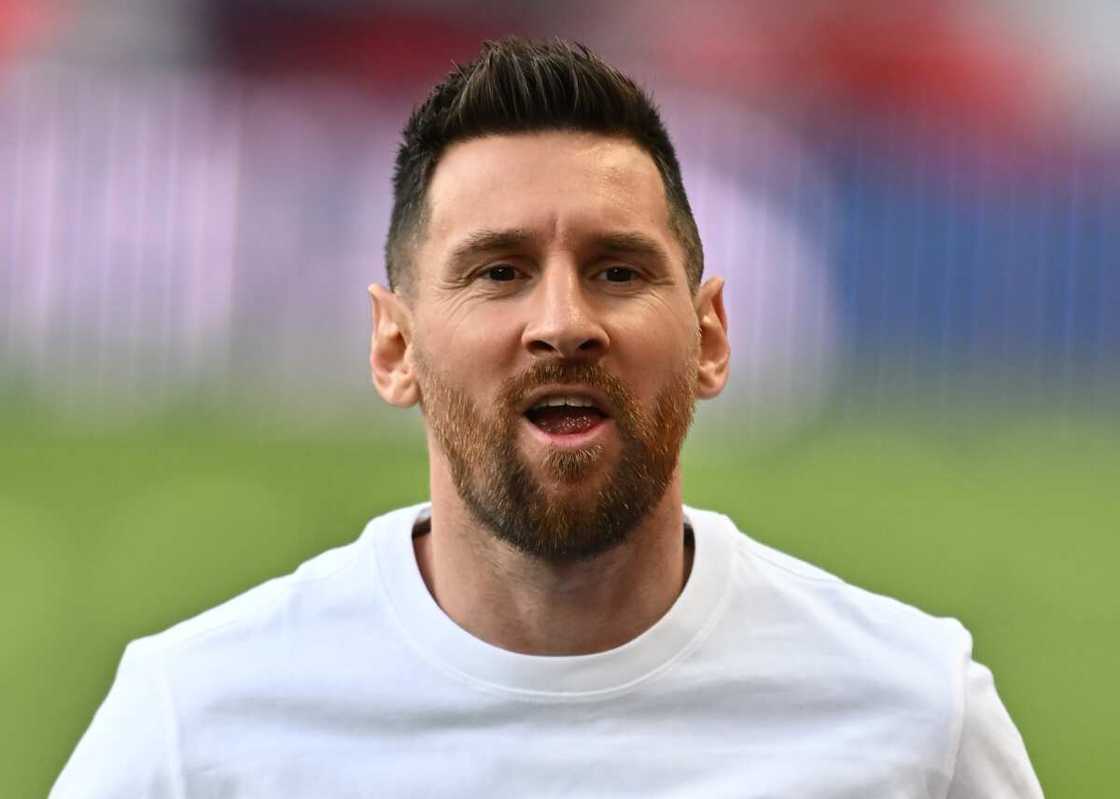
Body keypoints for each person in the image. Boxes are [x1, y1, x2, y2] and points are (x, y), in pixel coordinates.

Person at [52, 37, 1043, 798]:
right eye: (499, 273)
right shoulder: (195, 725)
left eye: (617, 270)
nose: (563, 324)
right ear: (394, 347)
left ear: (710, 336)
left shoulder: (916, 718)